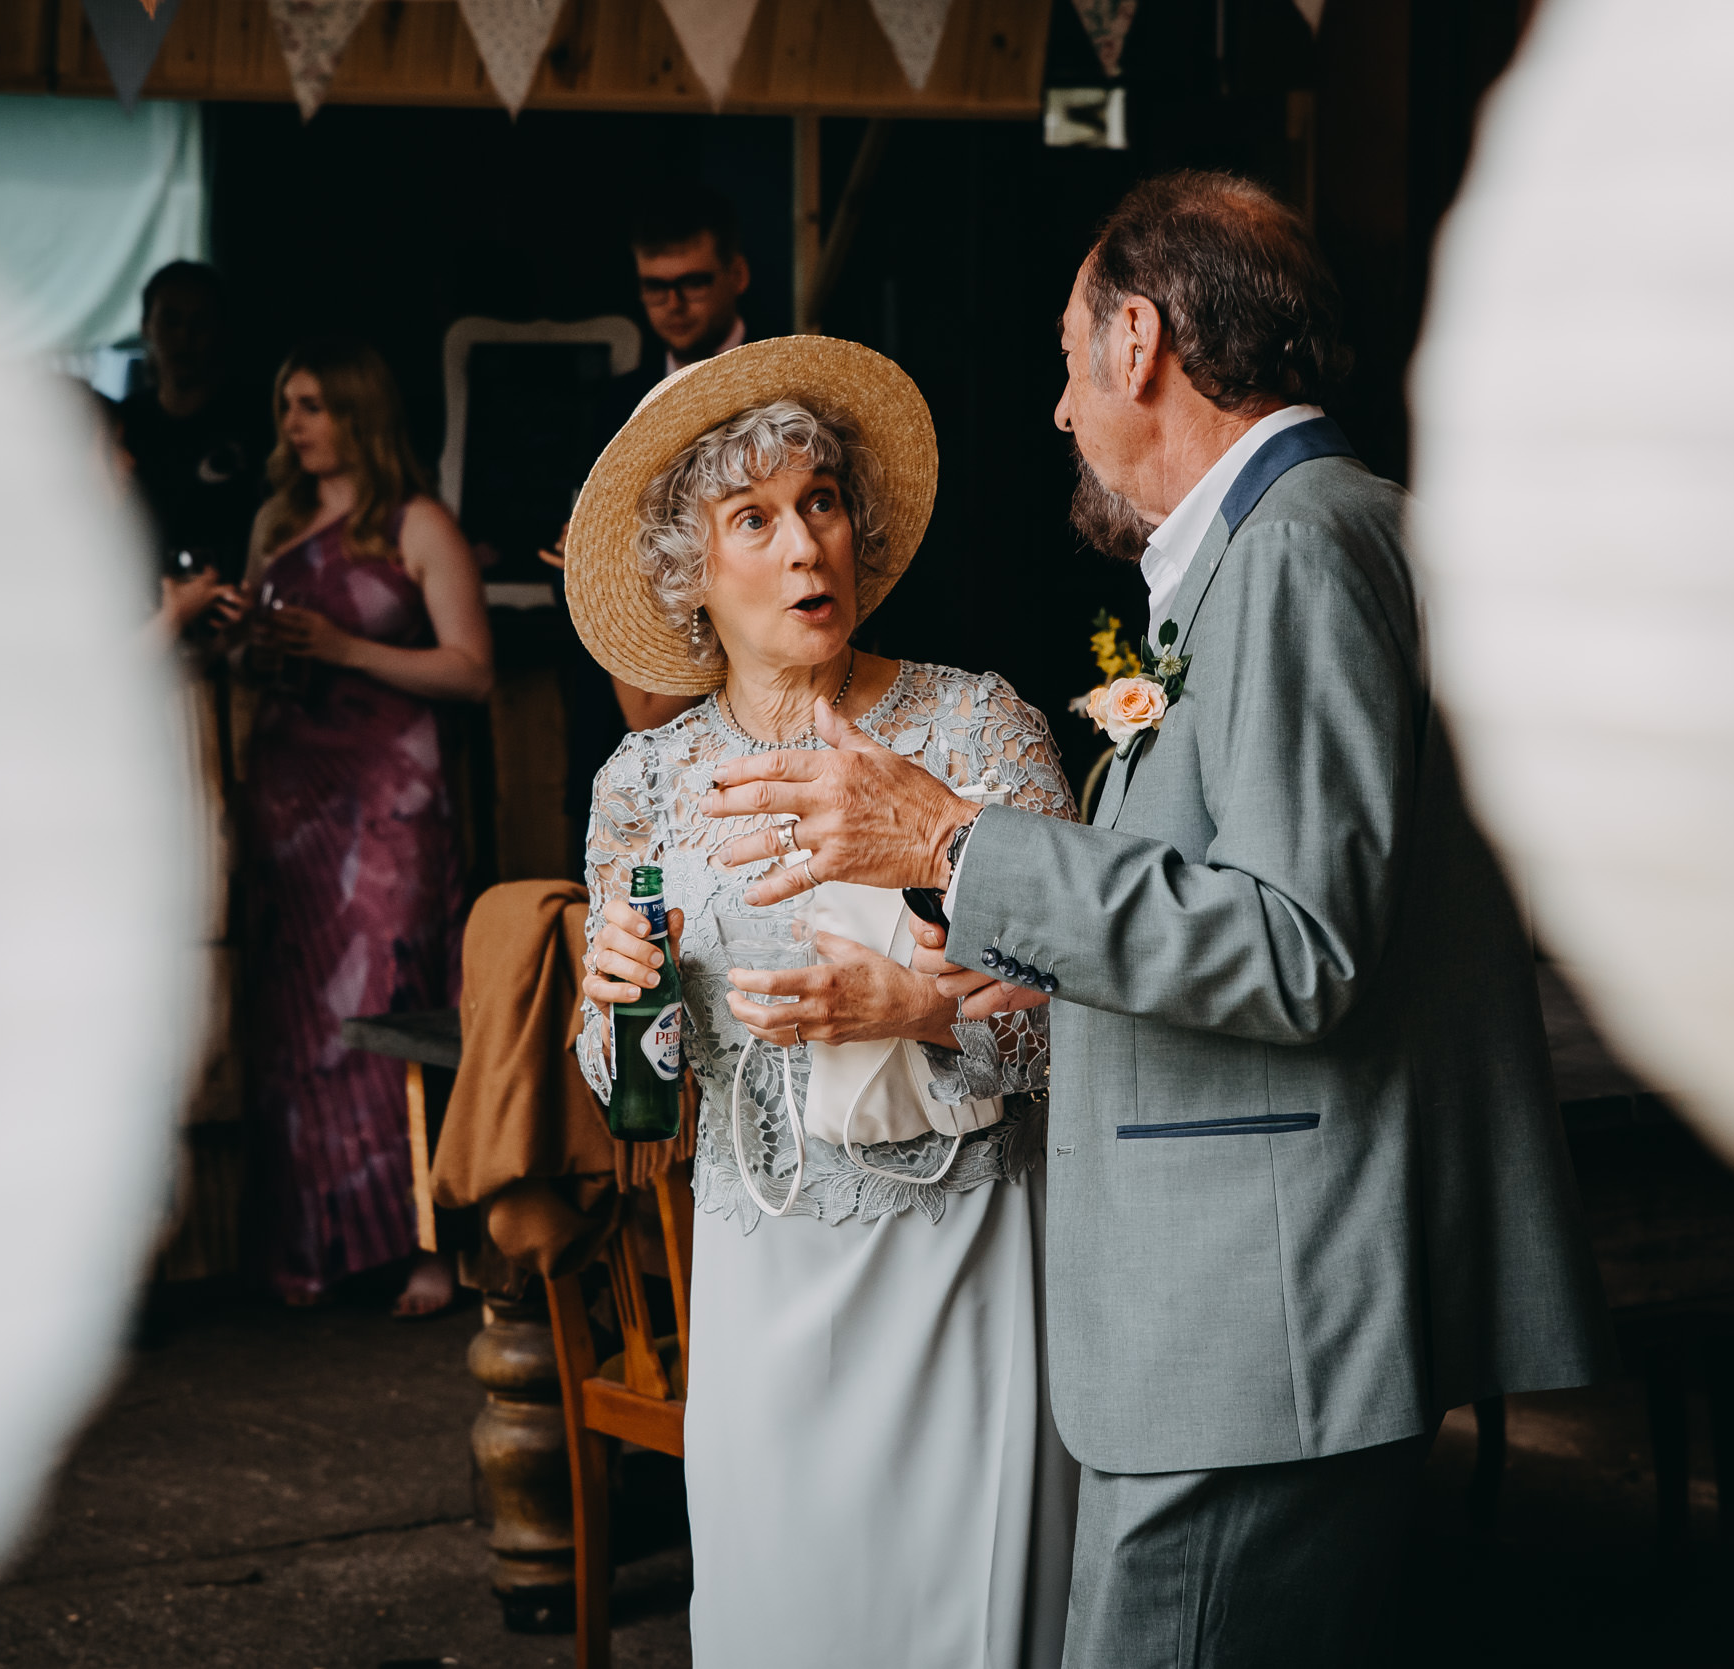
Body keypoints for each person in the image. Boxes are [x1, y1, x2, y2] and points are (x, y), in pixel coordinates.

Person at [703, 173, 1611, 1667]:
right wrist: (1030, 953)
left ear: (1138, 343)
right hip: (1268, 1306)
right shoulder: (1329, 529)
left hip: (1254, 1317)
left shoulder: (1299, 549)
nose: (1059, 407)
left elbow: (1296, 945)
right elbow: (1259, 894)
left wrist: (951, 840)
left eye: (1068, 360)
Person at [565, 336, 1083, 1666]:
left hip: (961, 1257)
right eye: (754, 519)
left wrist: (913, 1007)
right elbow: (629, 1082)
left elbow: (1089, 1016)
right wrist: (615, 1010)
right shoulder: (642, 784)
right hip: (761, 1272)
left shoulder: (979, 732)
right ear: (690, 572)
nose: (806, 545)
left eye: (822, 503)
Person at [224, 337, 493, 1317]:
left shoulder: (415, 523)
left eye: (311, 405)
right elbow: (258, 661)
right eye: (286, 405)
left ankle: (427, 1245)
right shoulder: (277, 522)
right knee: (298, 1019)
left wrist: (346, 648)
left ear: (356, 412)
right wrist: (247, 643)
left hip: (389, 801)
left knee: (390, 1000)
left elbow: (472, 669)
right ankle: (319, 1244)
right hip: (293, 801)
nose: (292, 423)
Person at [544, 183, 758, 873]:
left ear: (737, 274)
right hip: (622, 706)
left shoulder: (779, 381)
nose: (673, 302)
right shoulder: (608, 403)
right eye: (654, 286)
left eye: (693, 282)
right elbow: (572, 561)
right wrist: (583, 560)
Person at [120, 261, 260, 581]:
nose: (185, 337)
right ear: (146, 327)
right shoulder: (125, 424)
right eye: (171, 321)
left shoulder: (254, 422)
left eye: (200, 322)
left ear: (220, 330)